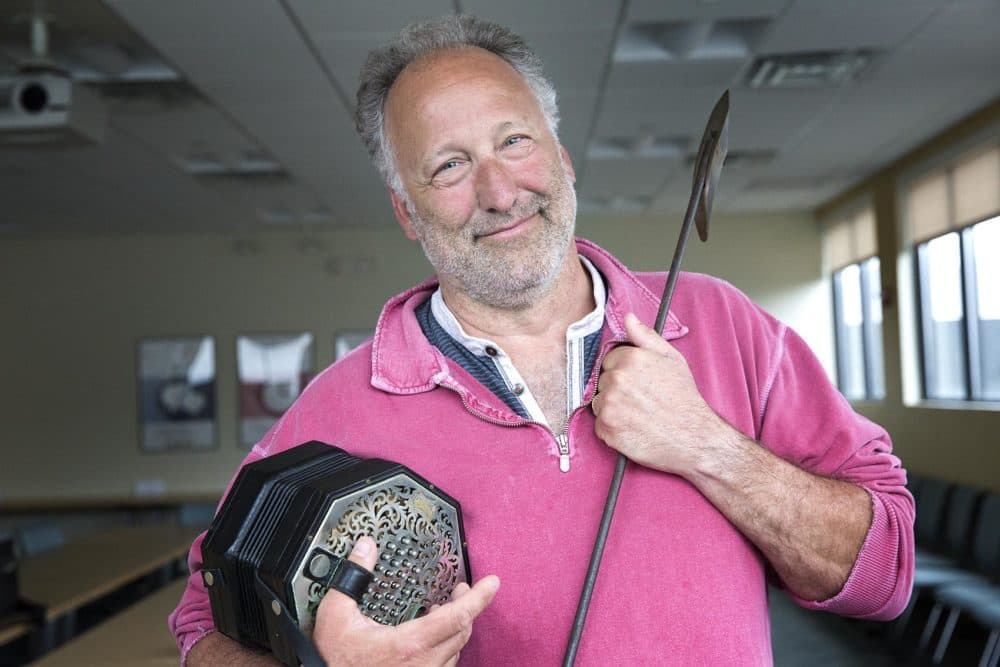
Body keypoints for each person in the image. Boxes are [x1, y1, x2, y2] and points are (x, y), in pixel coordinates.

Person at [170, 15, 914, 666]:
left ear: (561, 157)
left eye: (514, 140)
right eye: (449, 166)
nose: (498, 191)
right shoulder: (336, 408)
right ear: (406, 211)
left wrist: (707, 445)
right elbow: (203, 621)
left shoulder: (723, 325)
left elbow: (885, 573)